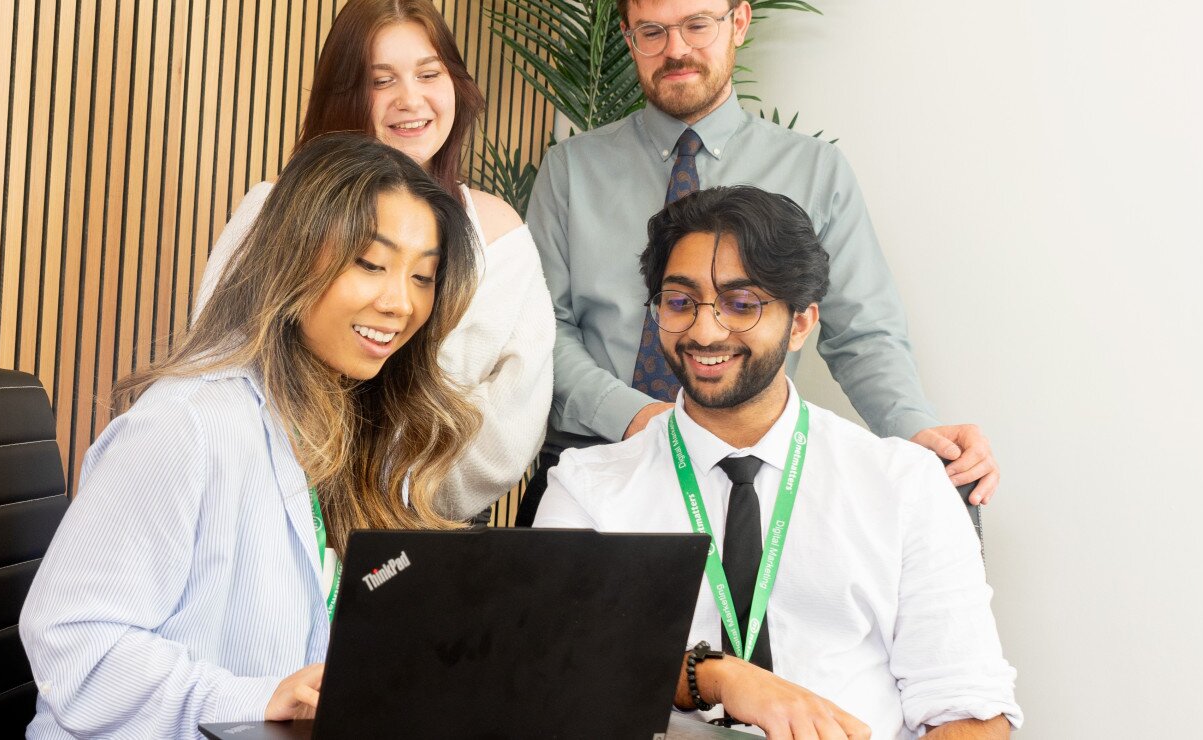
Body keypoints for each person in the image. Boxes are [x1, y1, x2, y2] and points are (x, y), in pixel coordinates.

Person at [19, 133, 481, 739]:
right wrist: (256, 697)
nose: (400, 302)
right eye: (371, 263)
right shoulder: (186, 426)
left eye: (423, 276)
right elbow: (75, 647)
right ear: (294, 257)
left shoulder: (355, 431)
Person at [535, 186, 1020, 740]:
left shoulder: (904, 483)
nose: (704, 330)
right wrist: (716, 678)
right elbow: (558, 662)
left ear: (801, 323)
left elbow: (967, 708)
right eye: (679, 301)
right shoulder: (588, 488)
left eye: (742, 305)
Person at [520, 0, 999, 524]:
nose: (675, 49)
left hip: (746, 476)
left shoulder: (816, 171)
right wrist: (639, 418)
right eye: (652, 31)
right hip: (593, 457)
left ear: (739, 22)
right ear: (628, 37)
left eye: (697, 25)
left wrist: (912, 430)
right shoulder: (569, 169)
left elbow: (864, 333)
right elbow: (542, 329)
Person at [193, 0, 552, 521]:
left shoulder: (500, 233)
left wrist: (399, 497)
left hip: (427, 526)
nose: (411, 99)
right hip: (274, 512)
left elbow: (516, 412)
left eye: (429, 73)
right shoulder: (274, 210)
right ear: (344, 96)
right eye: (382, 81)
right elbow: (219, 362)